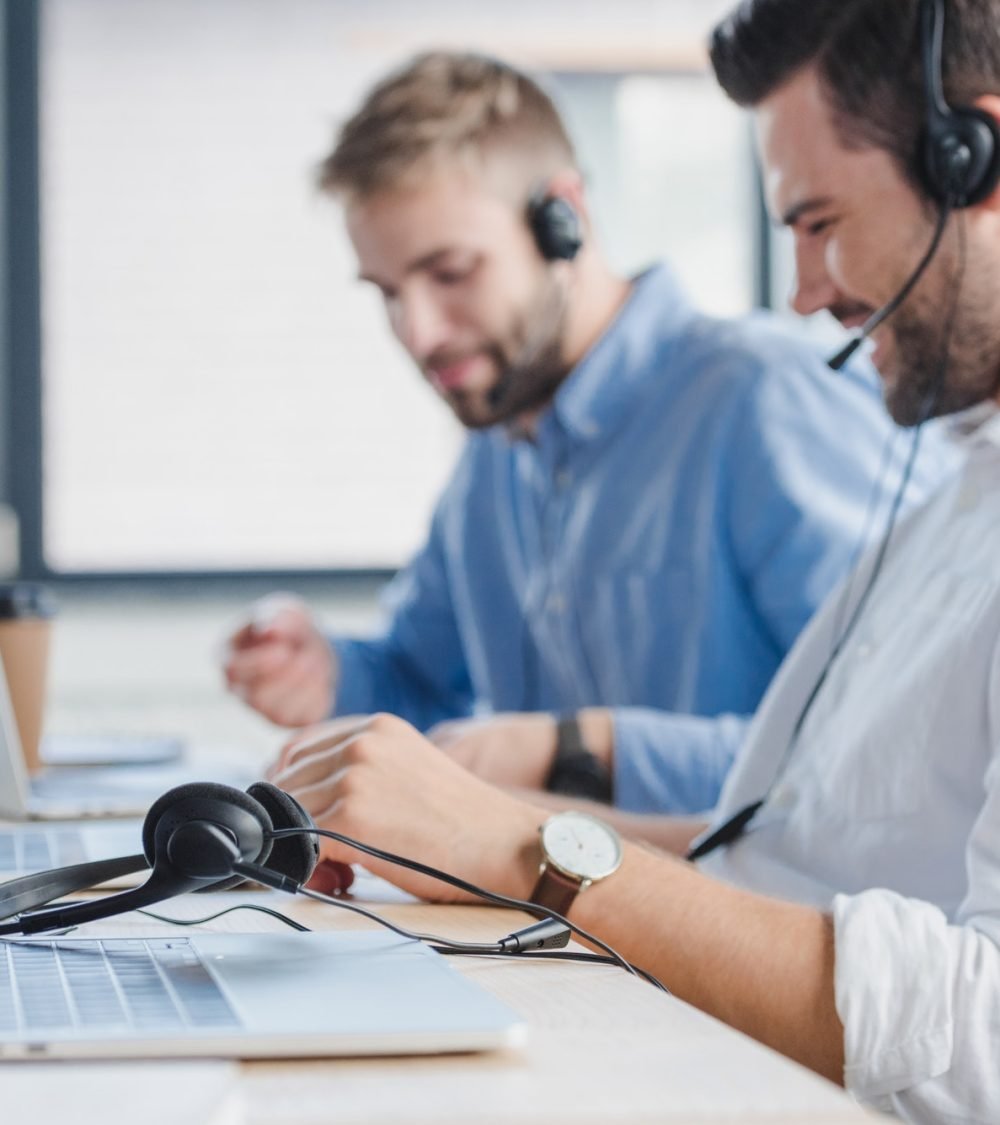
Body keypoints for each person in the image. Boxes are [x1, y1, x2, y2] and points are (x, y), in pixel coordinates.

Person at [267, 2, 1000, 1119]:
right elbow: (787, 836)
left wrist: (522, 830)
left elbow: (972, 1033)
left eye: (817, 221)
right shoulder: (955, 491)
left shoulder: (765, 400)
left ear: (971, 164)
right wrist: (437, 828)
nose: (803, 292)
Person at [223, 51, 947, 819]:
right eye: (389, 294)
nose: (419, 332)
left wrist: (578, 749)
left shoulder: (767, 401)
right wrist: (326, 671)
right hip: (537, 931)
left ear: (562, 219)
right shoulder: (492, 461)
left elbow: (895, 745)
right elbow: (424, 687)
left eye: (451, 273)